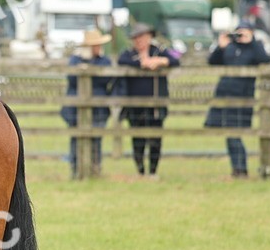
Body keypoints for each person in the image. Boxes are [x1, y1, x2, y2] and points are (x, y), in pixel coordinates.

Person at [204, 21, 270, 178]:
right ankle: (238, 169)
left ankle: (240, 169)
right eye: (238, 32)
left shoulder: (255, 48)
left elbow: (265, 60)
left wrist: (252, 42)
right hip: (224, 94)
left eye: (244, 32)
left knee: (234, 133)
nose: (240, 35)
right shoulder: (229, 47)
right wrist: (220, 46)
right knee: (230, 133)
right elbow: (213, 61)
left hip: (243, 96)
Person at [118, 23, 181, 177]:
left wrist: (160, 61)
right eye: (136, 38)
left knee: (155, 139)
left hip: (156, 104)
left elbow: (175, 60)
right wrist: (142, 63)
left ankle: (153, 171)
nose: (139, 41)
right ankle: (140, 171)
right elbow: (121, 61)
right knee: (137, 139)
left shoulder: (159, 51)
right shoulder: (129, 54)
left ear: (149, 37)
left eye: (142, 37)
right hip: (135, 104)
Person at [61, 28, 116, 178]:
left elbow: (106, 79)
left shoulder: (104, 61)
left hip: (98, 107)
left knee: (96, 139)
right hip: (75, 108)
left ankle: (95, 169)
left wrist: (88, 70)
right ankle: (76, 169)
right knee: (75, 139)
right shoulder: (75, 60)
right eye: (96, 45)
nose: (99, 48)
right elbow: (72, 79)